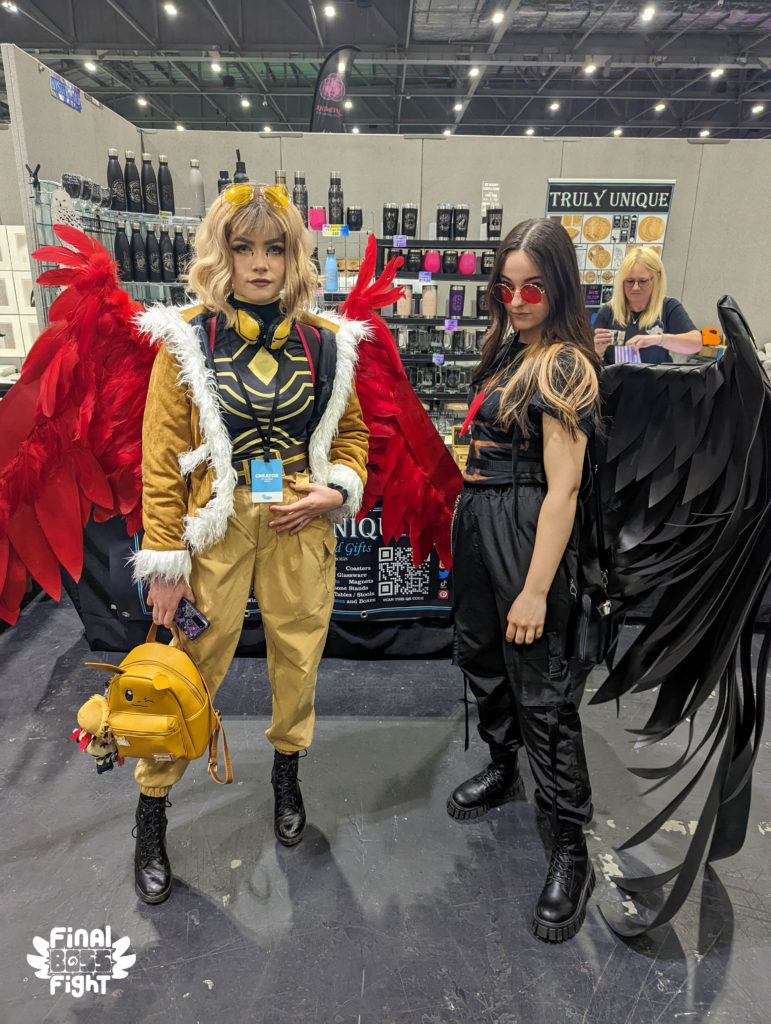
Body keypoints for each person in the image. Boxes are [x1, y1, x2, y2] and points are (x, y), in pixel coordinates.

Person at [128, 182, 369, 903]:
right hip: (216, 526)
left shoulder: (326, 343)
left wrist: (336, 491)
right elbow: (161, 459)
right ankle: (151, 807)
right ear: (221, 254)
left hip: (298, 518)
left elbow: (351, 438)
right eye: (244, 247)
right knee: (187, 665)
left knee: (299, 657)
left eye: (275, 248)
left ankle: (286, 776)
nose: (260, 264)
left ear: (295, 257)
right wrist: (165, 562)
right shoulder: (185, 341)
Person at [448, 217, 602, 943]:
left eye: (532, 287)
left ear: (559, 287)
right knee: (484, 659)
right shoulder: (510, 350)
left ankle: (570, 843)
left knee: (541, 686)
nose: (516, 300)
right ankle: (504, 766)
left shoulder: (563, 364)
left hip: (525, 530)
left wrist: (537, 588)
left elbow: (564, 489)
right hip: (482, 524)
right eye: (505, 288)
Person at [593, 247, 702, 364]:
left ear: (657, 279)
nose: (635, 287)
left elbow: (696, 344)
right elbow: (589, 357)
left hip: (657, 376)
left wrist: (659, 340)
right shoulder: (608, 311)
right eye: (629, 281)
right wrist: (598, 352)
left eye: (643, 281)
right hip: (615, 376)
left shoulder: (668, 307)